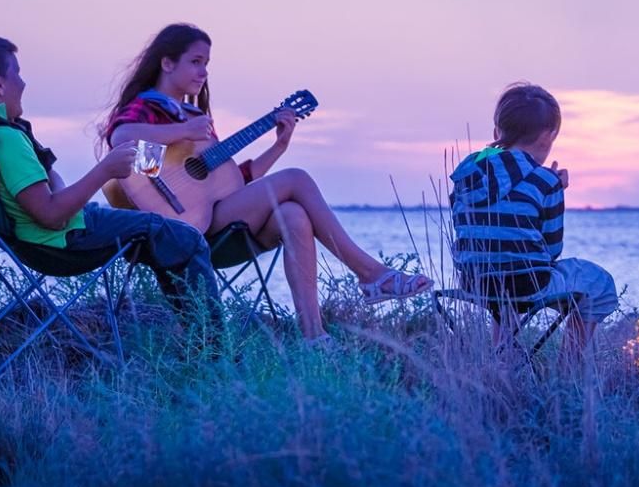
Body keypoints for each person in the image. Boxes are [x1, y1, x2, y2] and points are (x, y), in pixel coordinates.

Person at [103, 24, 430, 343]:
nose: (203, 72)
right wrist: (182, 132)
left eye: (207, 64)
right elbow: (123, 140)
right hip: (175, 229)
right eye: (196, 61)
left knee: (293, 215)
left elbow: (229, 184)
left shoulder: (192, 115)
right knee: (297, 178)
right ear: (167, 63)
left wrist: (279, 147)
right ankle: (370, 274)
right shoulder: (147, 107)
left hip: (213, 220)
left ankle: (313, 336)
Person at [0, 35, 221, 327]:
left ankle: (193, 337)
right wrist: (105, 170)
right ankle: (214, 348)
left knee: (165, 236)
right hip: (60, 243)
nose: (23, 84)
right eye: (18, 74)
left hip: (39, 237)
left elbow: (51, 187)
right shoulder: (7, 139)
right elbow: (51, 215)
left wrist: (66, 199)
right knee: (186, 238)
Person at [449, 83, 618, 361]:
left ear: (496, 132)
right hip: (527, 283)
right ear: (548, 137)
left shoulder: (466, 176)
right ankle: (569, 372)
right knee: (598, 283)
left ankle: (503, 361)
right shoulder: (545, 180)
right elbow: (551, 252)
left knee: (503, 268)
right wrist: (552, 187)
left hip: (474, 281)